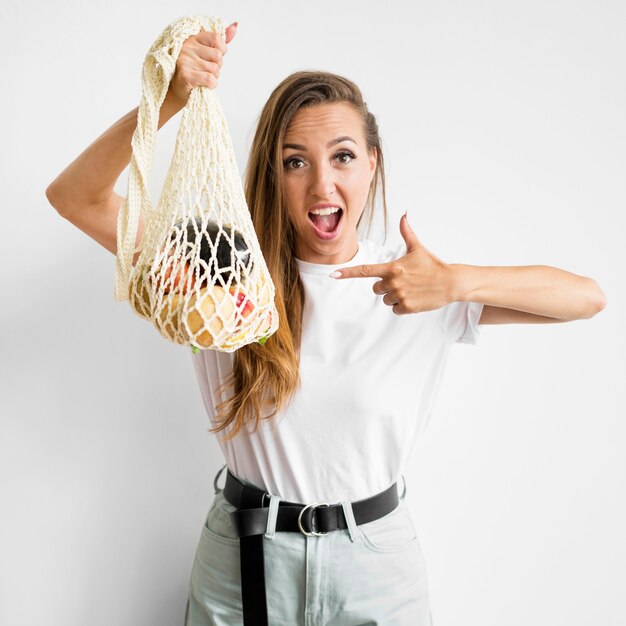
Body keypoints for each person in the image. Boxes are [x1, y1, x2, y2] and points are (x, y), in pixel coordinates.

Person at [45, 21, 607, 626]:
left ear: (371, 164)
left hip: (375, 567)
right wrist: (171, 100)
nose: (322, 183)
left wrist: (456, 282)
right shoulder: (221, 270)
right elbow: (75, 197)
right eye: (295, 162)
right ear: (272, 172)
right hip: (246, 558)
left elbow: (586, 298)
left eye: (342, 156)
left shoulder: (417, 282)